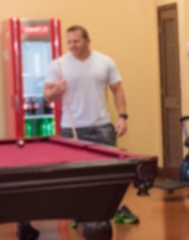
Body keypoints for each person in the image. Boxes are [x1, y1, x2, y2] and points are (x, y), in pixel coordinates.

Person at [45, 25, 135, 223]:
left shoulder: (105, 62)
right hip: (72, 127)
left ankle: (116, 208)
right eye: (69, 42)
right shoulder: (58, 65)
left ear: (88, 40)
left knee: (111, 172)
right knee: (75, 175)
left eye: (76, 41)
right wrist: (57, 90)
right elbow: (47, 96)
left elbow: (117, 89)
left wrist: (122, 116)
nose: (72, 46)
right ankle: (78, 212)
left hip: (102, 125)